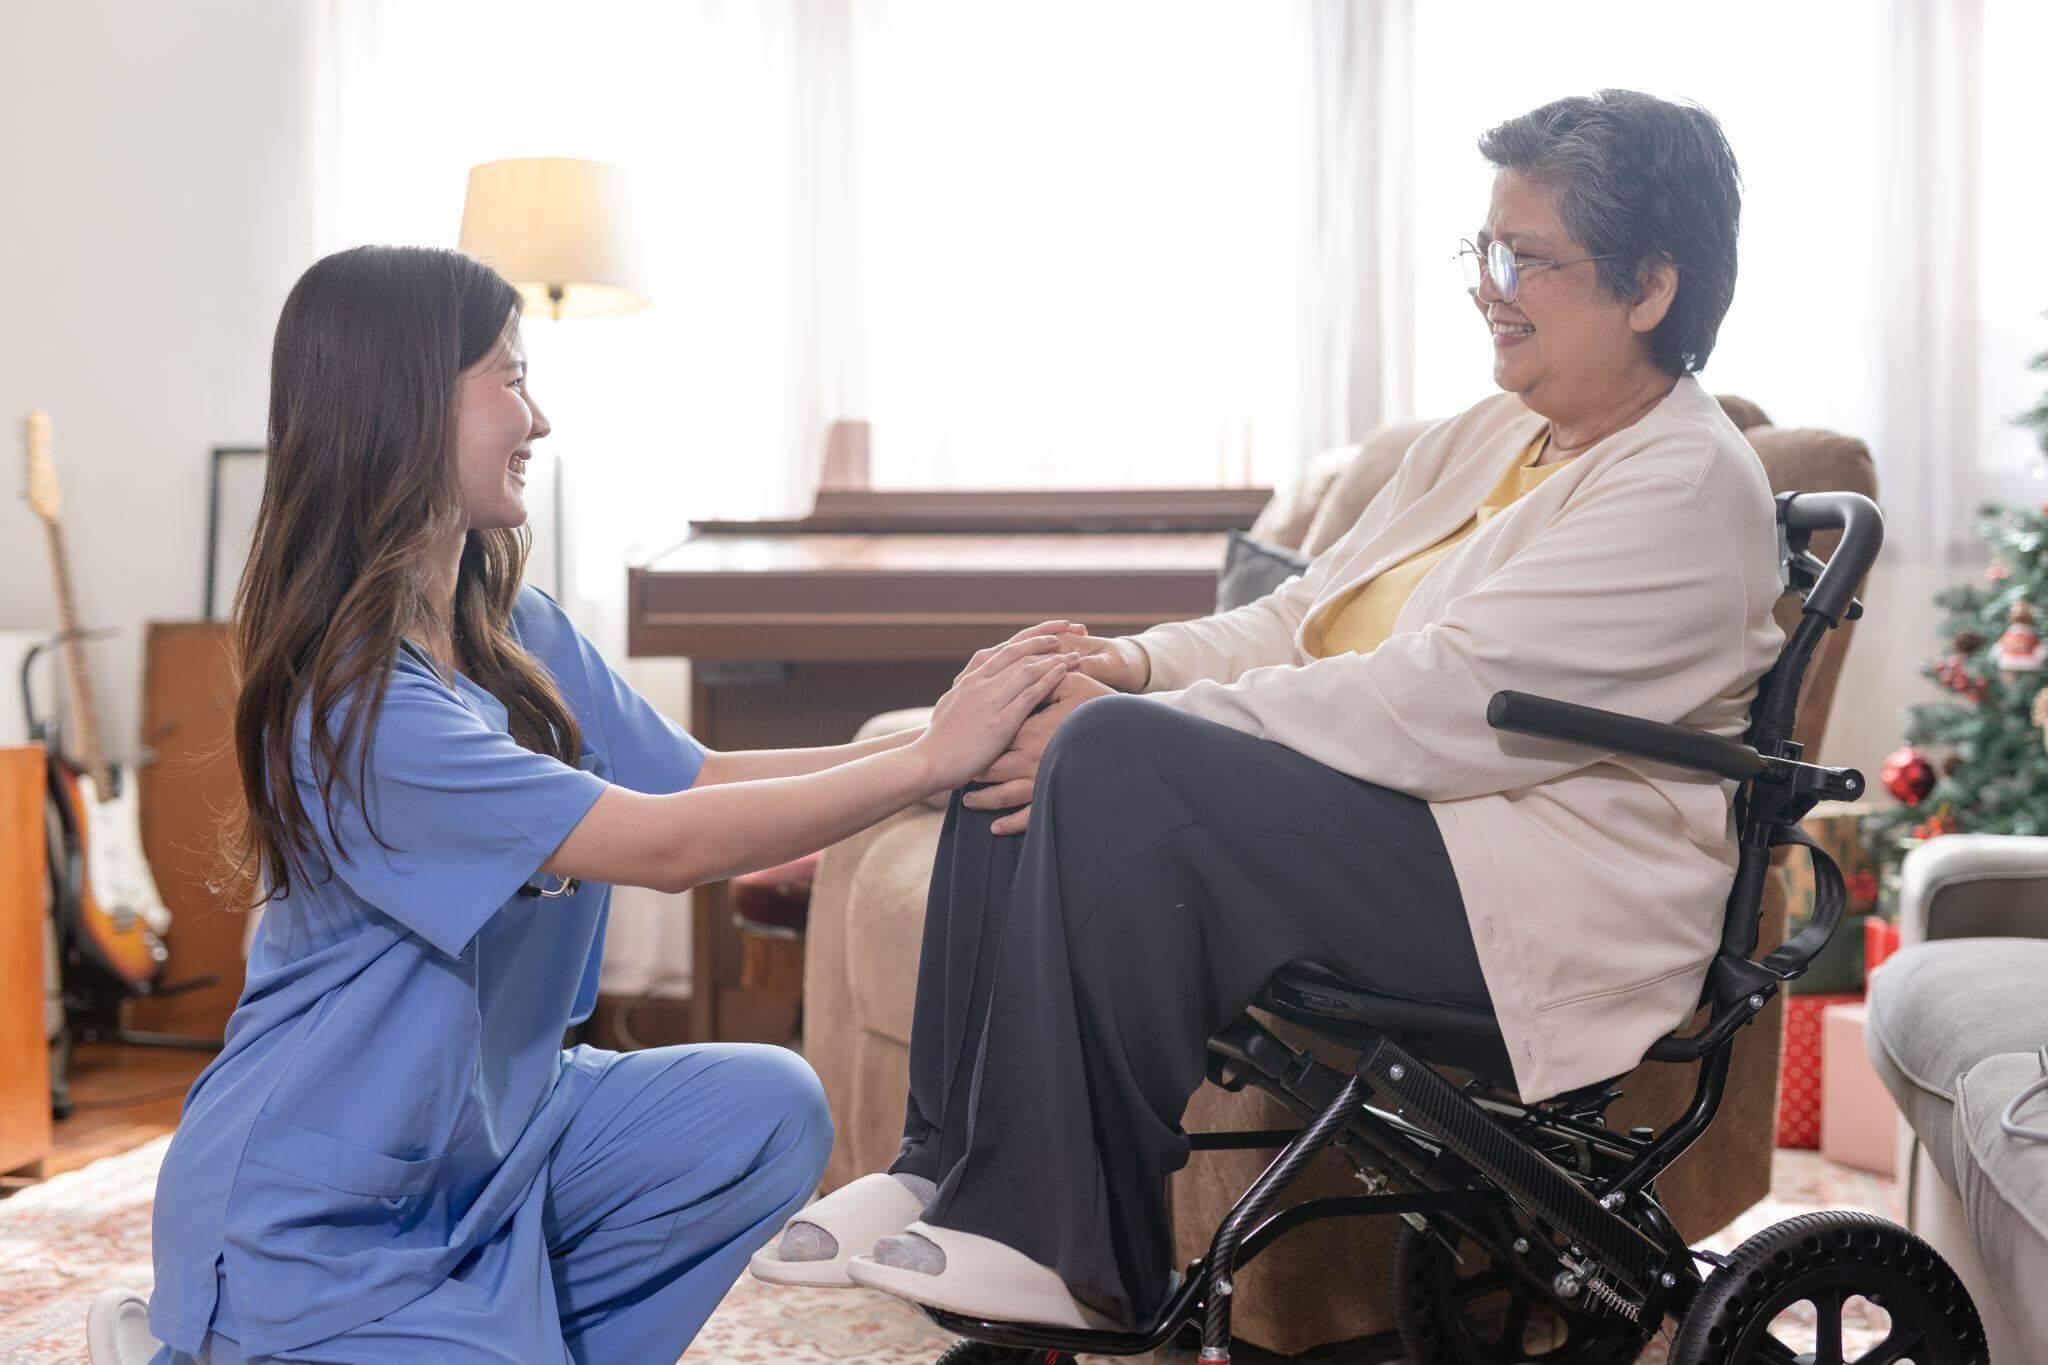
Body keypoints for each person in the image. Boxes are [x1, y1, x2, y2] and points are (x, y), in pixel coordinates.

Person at [752, 89, 1785, 1331]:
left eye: (1526, 258)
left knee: (1110, 757)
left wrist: (1135, 733)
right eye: (1480, 250)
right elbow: (1302, 625)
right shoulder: (1483, 437)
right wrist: (1120, 669)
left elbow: (1442, 707)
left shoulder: (1679, 483)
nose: (1485, 286)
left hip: (1524, 879)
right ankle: (941, 1168)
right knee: (1029, 704)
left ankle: (1062, 1250)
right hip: (1404, 825)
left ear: (1649, 288)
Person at [141, 245, 1075, 1363]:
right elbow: (667, 845)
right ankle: (214, 1339)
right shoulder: (358, 706)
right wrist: (928, 764)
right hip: (324, 1214)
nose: (536, 419)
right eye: (508, 378)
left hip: (501, 1140)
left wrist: (940, 737)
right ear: (402, 405)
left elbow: (698, 782)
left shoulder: (514, 633)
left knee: (763, 1106)